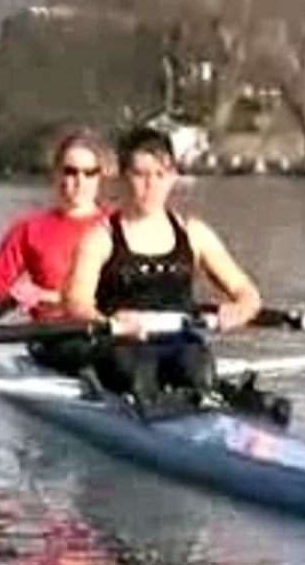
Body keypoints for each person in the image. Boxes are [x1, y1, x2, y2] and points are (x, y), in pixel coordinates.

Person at [63, 125, 262, 415]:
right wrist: (111, 321)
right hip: (122, 345)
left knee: (198, 366)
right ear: (122, 178)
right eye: (141, 174)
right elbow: (76, 303)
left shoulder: (195, 233)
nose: (151, 185)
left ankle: (209, 406)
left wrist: (239, 309)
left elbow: (248, 293)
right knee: (138, 370)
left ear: (173, 177)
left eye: (160, 175)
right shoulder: (100, 238)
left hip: (179, 343)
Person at [0, 127, 112, 373]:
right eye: (70, 171)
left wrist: (48, 296)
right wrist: (12, 298)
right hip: (55, 337)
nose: (80, 181)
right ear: (56, 174)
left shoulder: (120, 225)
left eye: (90, 173)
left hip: (112, 330)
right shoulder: (29, 230)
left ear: (101, 176)